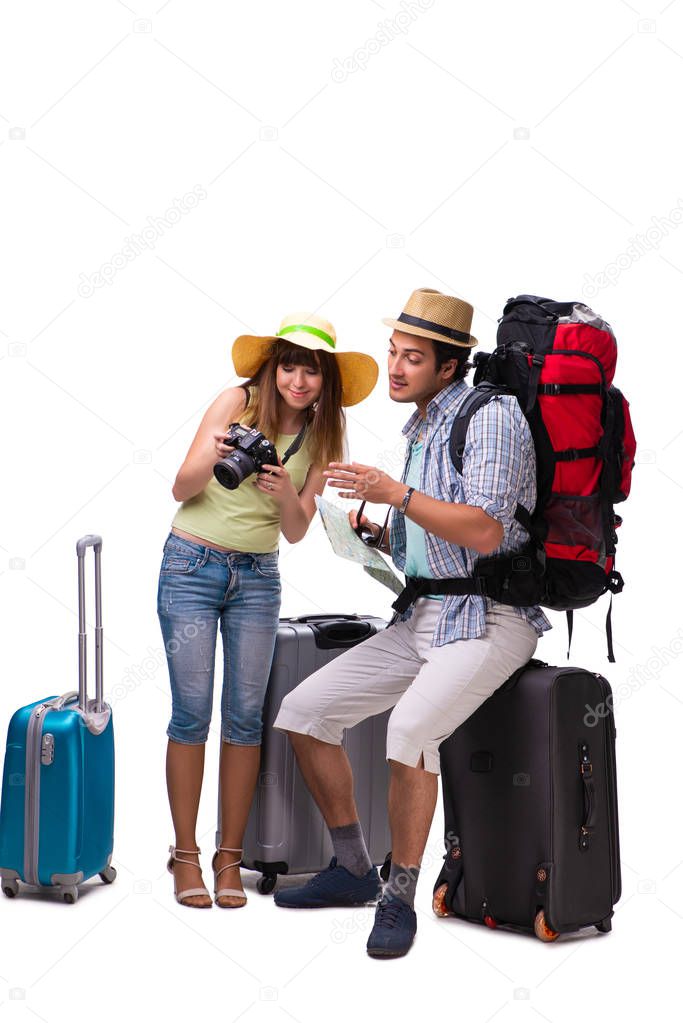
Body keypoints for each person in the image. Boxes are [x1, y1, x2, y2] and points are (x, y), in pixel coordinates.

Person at [271, 288, 552, 956]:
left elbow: (484, 529)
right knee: (304, 711)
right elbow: (438, 528)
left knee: (409, 729)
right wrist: (382, 531)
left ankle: (398, 896)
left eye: (413, 358)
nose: (395, 368)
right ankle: (349, 867)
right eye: (393, 353)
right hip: (426, 610)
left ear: (449, 366)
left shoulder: (491, 416)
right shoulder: (426, 420)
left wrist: (395, 493)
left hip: (490, 619)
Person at [158, 312, 378, 909]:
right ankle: (185, 859)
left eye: (312, 370)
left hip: (258, 577)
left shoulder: (324, 434)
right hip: (191, 567)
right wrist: (221, 448)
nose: (299, 380)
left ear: (325, 380)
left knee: (246, 718)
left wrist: (285, 494)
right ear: (272, 366)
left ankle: (230, 861)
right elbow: (182, 487)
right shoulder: (236, 400)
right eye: (290, 365)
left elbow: (300, 530)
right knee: (191, 714)